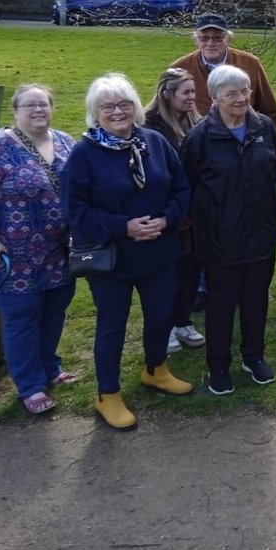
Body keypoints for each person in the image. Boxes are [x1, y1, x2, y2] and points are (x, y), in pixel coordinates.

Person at [64, 73, 193, 431]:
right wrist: (125, 226)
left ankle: (156, 370)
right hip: (112, 258)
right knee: (112, 325)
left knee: (161, 315)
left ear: (135, 107)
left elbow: (182, 189)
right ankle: (108, 394)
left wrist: (166, 220)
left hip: (159, 250)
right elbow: (76, 212)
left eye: (124, 104)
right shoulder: (84, 154)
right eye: (108, 107)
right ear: (95, 113)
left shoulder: (154, 141)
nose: (118, 112)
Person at [0, 83, 76, 416]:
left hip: (59, 253)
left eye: (44, 104)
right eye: (30, 105)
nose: (38, 110)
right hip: (15, 256)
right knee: (22, 318)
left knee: (54, 311)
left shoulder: (66, 142)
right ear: (15, 111)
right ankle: (30, 385)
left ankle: (50, 368)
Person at [180, 65, 276, 395]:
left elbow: (275, 172)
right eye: (231, 94)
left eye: (245, 91)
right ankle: (218, 365)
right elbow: (188, 183)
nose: (240, 99)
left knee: (256, 300)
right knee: (221, 305)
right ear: (214, 98)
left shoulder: (264, 128)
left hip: (261, 234)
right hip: (219, 239)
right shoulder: (200, 137)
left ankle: (253, 357)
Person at [143, 67, 204, 356]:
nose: (192, 97)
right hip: (166, 210)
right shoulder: (150, 127)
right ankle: (163, 327)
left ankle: (182, 321)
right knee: (169, 274)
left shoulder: (195, 122)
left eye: (193, 91)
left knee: (191, 269)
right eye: (186, 92)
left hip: (194, 211)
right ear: (167, 95)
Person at [168, 13, 276, 123]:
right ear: (196, 39)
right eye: (204, 38)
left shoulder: (250, 63)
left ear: (228, 39)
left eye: (218, 38)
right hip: (196, 137)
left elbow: (270, 112)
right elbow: (168, 112)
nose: (210, 43)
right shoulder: (180, 68)